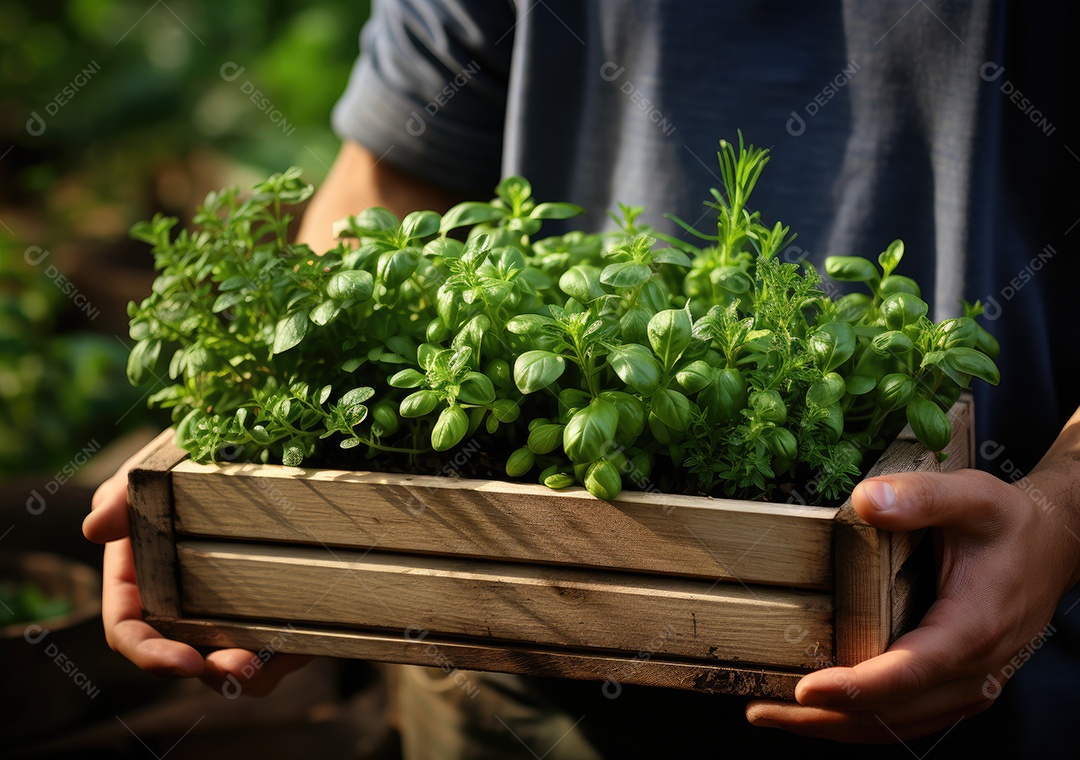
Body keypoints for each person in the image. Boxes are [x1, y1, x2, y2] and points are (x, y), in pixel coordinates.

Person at [86, 1, 1080, 754]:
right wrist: (278, 542)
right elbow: (387, 185)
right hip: (493, 685)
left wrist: (1059, 519)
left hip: (953, 688)